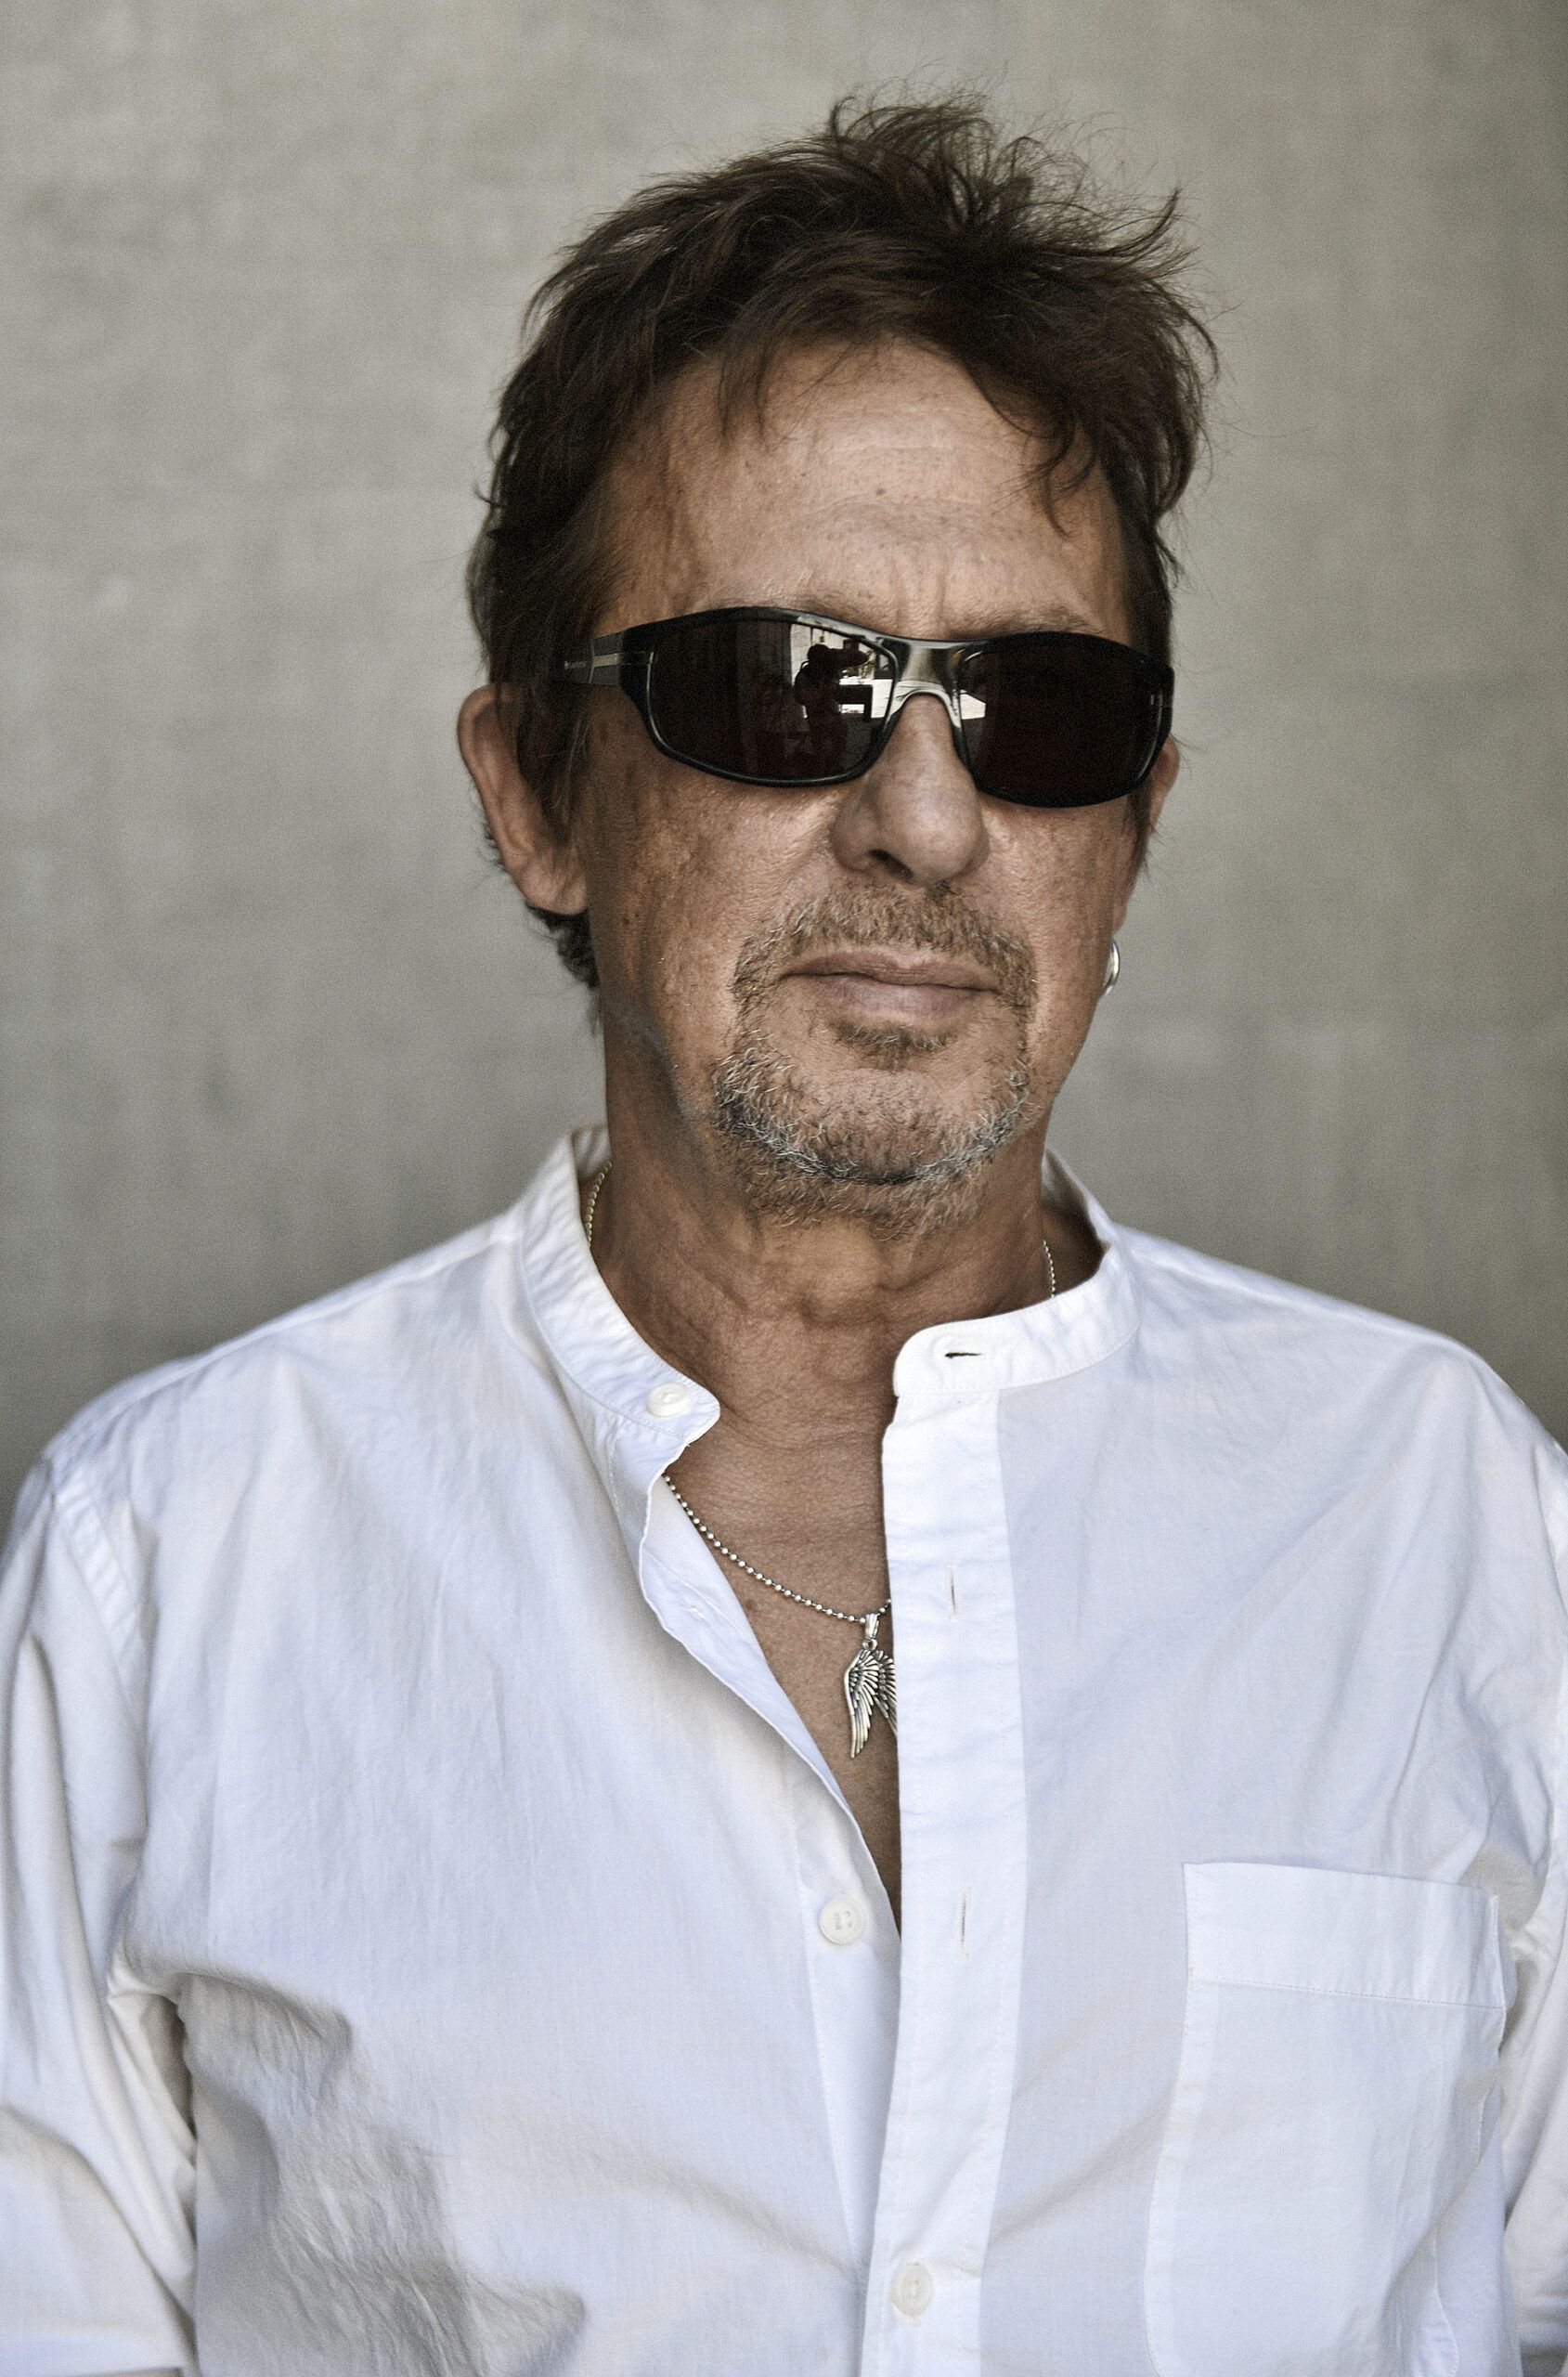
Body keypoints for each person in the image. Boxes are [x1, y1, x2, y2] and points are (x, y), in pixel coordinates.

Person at [2, 95, 1564, 2377]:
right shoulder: (166, 1566)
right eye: (784, 686)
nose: (924, 815)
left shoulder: (1447, 1527)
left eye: (1034, 710)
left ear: (1130, 822)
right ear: (536, 792)